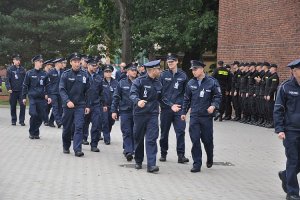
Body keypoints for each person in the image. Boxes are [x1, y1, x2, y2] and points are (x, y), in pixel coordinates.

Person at [130, 60, 171, 173]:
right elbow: (132, 94)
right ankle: (138, 160)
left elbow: (162, 98)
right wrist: (138, 101)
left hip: (153, 114)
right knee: (138, 138)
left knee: (152, 139)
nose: (160, 71)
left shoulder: (158, 82)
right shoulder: (139, 81)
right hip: (140, 114)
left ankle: (151, 165)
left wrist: (171, 106)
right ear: (152, 70)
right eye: (158, 69)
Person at [181, 60, 221, 173]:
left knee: (207, 140)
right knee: (195, 140)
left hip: (206, 117)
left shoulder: (212, 82)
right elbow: (186, 99)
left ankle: (210, 156)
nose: (193, 72)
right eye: (192, 70)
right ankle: (197, 164)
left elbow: (218, 96)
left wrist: (213, 106)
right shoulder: (190, 83)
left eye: (195, 69)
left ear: (202, 69)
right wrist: (183, 112)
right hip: (194, 116)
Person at [274, 59, 300, 200]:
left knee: (296, 163)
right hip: (290, 131)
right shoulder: (285, 87)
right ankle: (293, 192)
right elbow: (278, 109)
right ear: (294, 71)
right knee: (293, 160)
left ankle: (285, 175)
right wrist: (280, 129)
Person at [158, 53, 189, 163]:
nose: (170, 63)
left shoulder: (183, 75)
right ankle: (163, 153)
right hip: (166, 109)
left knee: (180, 132)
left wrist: (184, 109)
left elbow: (186, 94)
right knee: (164, 133)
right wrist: (170, 105)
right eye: (169, 61)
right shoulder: (163, 75)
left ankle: (181, 155)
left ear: (177, 62)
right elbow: (160, 94)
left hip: (179, 109)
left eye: (172, 61)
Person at [59, 52, 90, 157]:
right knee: (67, 127)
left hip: (80, 105)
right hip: (68, 106)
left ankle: (77, 149)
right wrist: (67, 101)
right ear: (71, 62)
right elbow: (62, 90)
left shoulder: (85, 74)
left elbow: (88, 91)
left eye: (78, 62)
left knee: (79, 127)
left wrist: (87, 105)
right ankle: (66, 146)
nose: (77, 64)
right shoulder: (66, 74)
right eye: (75, 62)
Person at [111, 63, 138, 161]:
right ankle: (128, 151)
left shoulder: (139, 82)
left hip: (137, 112)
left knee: (135, 132)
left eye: (135, 70)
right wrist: (114, 111)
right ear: (127, 71)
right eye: (132, 70)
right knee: (126, 131)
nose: (134, 72)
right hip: (125, 111)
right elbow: (116, 97)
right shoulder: (122, 83)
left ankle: (133, 149)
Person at [22, 55, 51, 139]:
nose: (41, 63)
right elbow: (25, 85)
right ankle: (32, 132)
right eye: (40, 62)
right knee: (33, 114)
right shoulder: (29, 73)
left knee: (41, 116)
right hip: (33, 98)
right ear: (35, 62)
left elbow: (48, 86)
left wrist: (48, 96)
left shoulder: (44, 74)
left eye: (42, 62)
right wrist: (24, 97)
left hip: (42, 98)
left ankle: (36, 132)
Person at [83, 58, 103, 152]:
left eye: (96, 66)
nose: (95, 67)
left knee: (96, 125)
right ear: (88, 65)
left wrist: (102, 103)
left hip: (95, 104)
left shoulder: (99, 77)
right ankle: (83, 138)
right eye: (93, 65)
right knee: (83, 123)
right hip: (83, 104)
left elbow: (101, 92)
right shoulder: (82, 75)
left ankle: (94, 144)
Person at [5, 54, 26, 126]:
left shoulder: (22, 69)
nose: (18, 61)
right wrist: (9, 88)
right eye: (17, 60)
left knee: (23, 105)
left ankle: (22, 121)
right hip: (13, 91)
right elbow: (7, 80)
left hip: (21, 91)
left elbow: (25, 80)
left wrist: (25, 89)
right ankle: (13, 120)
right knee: (13, 106)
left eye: (19, 60)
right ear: (13, 60)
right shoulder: (10, 69)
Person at [46, 58, 66, 128]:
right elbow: (47, 83)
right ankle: (58, 121)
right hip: (53, 93)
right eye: (61, 63)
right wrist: (47, 94)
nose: (62, 64)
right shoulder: (51, 72)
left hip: (60, 93)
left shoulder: (63, 72)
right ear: (57, 64)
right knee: (55, 107)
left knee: (60, 108)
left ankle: (51, 121)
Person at [101, 64, 118, 145]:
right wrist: (102, 104)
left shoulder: (116, 82)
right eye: (106, 72)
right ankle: (106, 138)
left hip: (113, 106)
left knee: (111, 122)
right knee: (105, 122)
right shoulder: (101, 82)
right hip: (104, 106)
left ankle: (106, 132)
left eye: (109, 72)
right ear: (104, 73)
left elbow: (118, 95)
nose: (108, 73)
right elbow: (99, 94)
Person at [264, 63, 279, 128]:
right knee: (268, 109)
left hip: (272, 96)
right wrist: (266, 94)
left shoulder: (275, 76)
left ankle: (273, 123)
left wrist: (269, 94)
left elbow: (273, 87)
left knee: (271, 109)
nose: (269, 69)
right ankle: (270, 122)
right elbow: (267, 86)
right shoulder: (271, 76)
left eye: (270, 68)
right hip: (268, 95)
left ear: (273, 69)